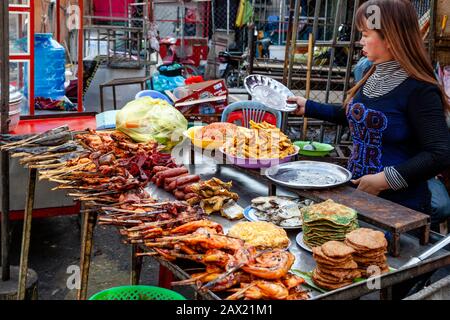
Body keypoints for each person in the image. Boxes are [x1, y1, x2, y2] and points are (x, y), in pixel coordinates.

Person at [288, 0, 450, 225]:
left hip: (399, 210)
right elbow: (360, 118)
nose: (360, 40)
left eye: (366, 34)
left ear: (391, 37)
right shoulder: (371, 74)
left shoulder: (420, 89)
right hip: (358, 197)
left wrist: (384, 180)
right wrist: (309, 107)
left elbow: (439, 153)